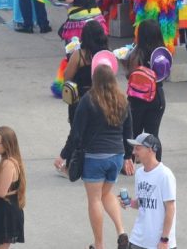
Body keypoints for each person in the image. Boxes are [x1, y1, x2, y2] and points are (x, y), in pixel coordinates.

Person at [55, 64, 134, 249]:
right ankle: (121, 231)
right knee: (106, 194)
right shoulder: (122, 100)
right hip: (116, 155)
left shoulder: (89, 100)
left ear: (94, 80)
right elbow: (129, 130)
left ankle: (99, 245)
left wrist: (63, 155)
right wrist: (128, 156)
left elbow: (76, 133)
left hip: (95, 156)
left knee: (95, 199)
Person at [123, 133, 177, 249]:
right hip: (138, 239)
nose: (133, 152)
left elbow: (170, 208)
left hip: (158, 243)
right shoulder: (139, 173)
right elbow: (141, 203)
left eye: (138, 148)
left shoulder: (165, 175)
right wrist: (128, 202)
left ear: (151, 150)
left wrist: (164, 239)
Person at [125, 20, 167, 148]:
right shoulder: (162, 54)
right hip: (157, 97)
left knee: (133, 136)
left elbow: (130, 76)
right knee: (153, 136)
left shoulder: (136, 54)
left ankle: (129, 165)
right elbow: (164, 75)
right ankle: (155, 166)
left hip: (137, 98)